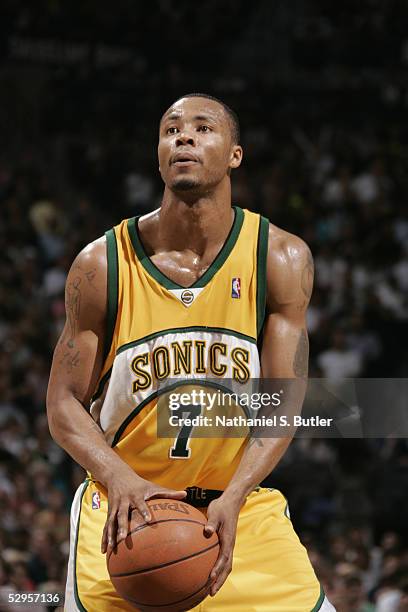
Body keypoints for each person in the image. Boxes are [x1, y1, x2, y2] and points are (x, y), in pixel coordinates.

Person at [47, 93, 336, 611]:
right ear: (158, 154)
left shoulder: (280, 258)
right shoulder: (101, 266)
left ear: (235, 155)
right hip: (126, 515)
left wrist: (235, 494)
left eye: (203, 128)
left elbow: (282, 404)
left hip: (238, 508)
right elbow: (63, 403)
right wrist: (119, 480)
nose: (183, 137)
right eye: (171, 129)